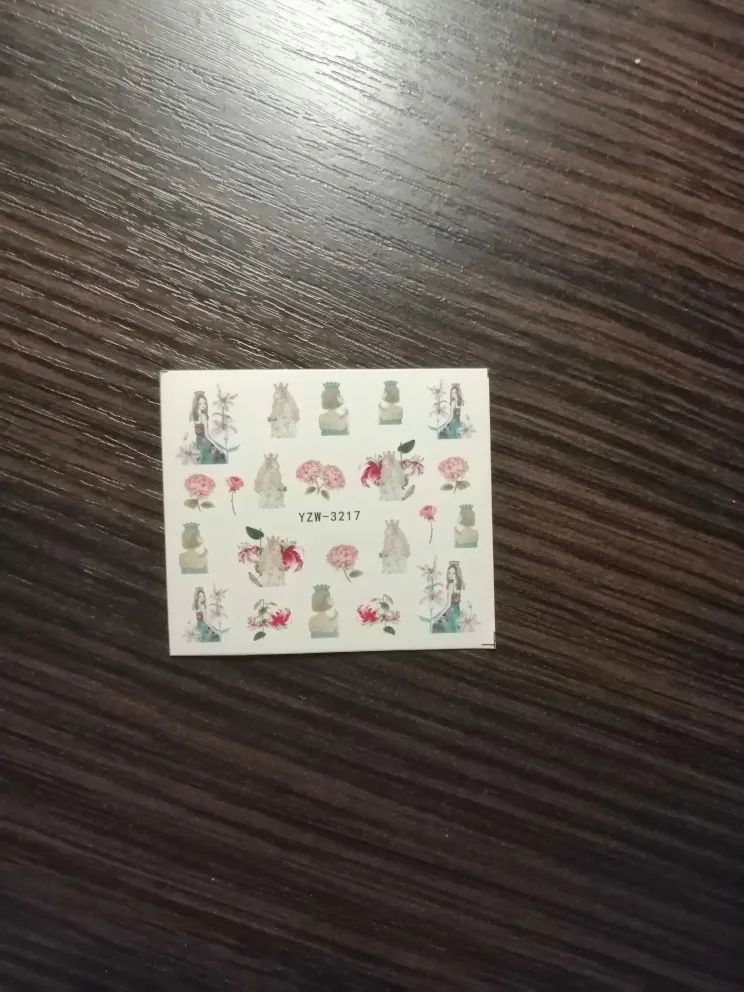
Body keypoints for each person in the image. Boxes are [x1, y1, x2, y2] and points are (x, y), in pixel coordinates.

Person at [190, 391, 228, 464]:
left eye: (204, 403)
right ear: (196, 404)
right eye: (200, 403)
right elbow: (207, 436)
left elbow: (197, 434)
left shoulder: (194, 416)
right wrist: (218, 447)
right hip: (205, 443)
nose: (203, 405)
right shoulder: (203, 416)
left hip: (198, 443)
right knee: (222, 455)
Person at [432, 562, 464, 633]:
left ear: (457, 574)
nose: (450, 575)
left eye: (453, 573)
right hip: (457, 612)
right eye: (449, 573)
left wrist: (438, 616)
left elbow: (448, 604)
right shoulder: (460, 585)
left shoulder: (451, 585)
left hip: (451, 612)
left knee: (436, 625)